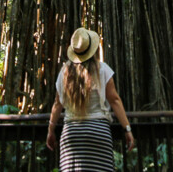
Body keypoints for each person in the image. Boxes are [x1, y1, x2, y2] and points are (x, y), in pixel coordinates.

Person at [47, 27, 135, 171]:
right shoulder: (103, 69)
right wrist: (127, 129)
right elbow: (115, 101)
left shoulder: (65, 72)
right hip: (99, 133)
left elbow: (57, 104)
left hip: (72, 135)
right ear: (93, 50)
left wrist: (50, 131)